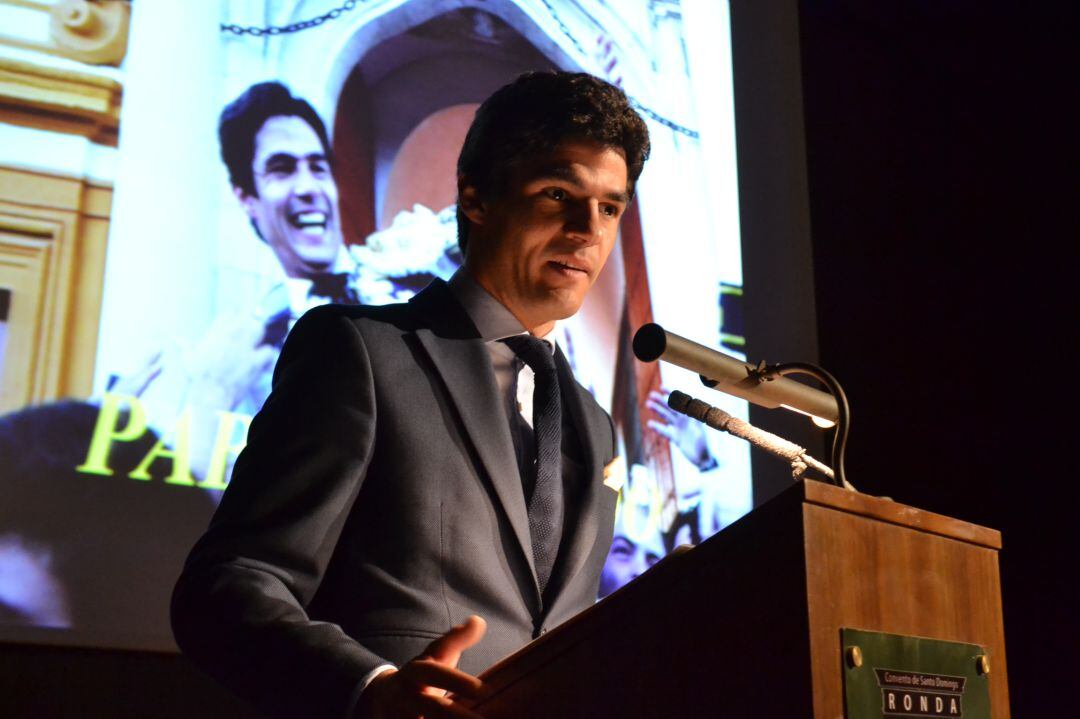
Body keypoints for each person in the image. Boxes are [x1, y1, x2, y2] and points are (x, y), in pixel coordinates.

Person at [171, 71, 650, 718]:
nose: (586, 229)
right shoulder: (361, 352)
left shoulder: (596, 426)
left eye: (609, 206)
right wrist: (368, 688)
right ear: (477, 199)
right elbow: (225, 588)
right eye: (557, 193)